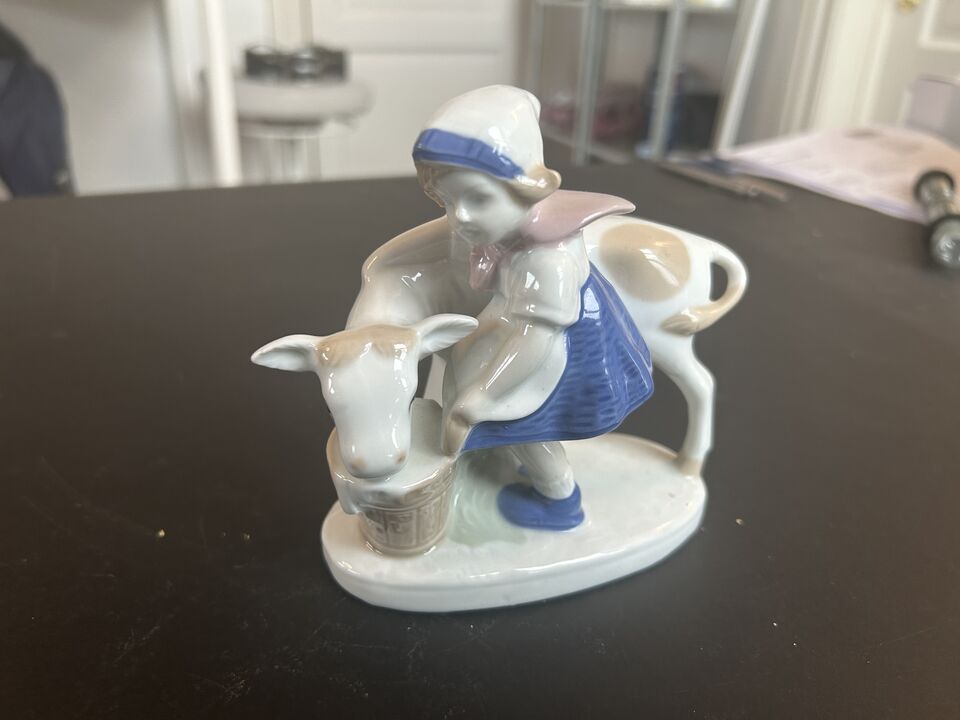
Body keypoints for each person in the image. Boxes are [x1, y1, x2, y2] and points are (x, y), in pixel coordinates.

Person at [347, 85, 653, 530]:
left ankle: (560, 500)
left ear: (527, 188)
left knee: (526, 428)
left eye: (477, 199)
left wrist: (486, 394)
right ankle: (520, 460)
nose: (460, 217)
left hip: (551, 358)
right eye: (448, 202)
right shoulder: (500, 233)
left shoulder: (546, 260)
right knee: (502, 418)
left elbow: (534, 340)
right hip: (509, 334)